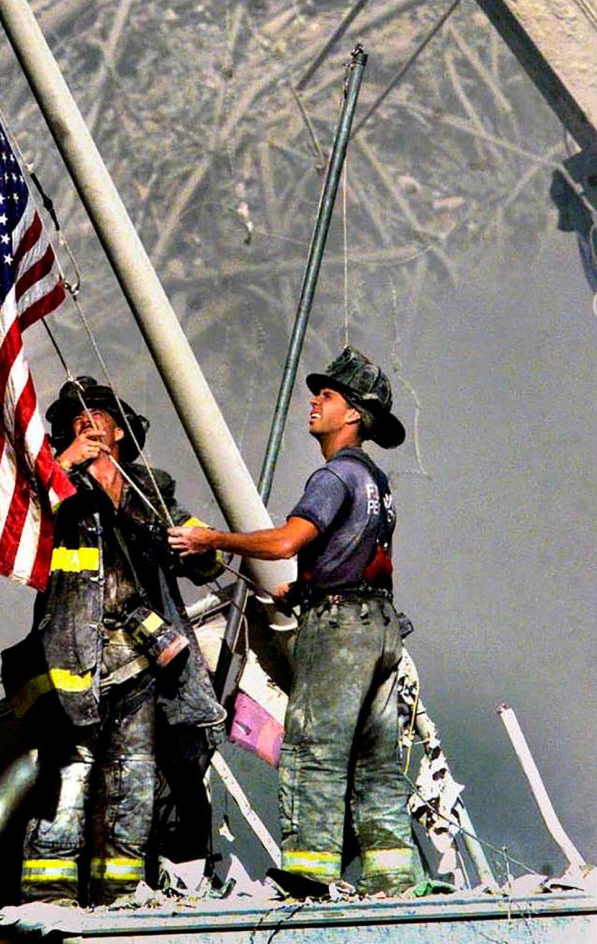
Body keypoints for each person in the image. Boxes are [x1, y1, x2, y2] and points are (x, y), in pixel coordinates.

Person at [168, 346, 419, 897]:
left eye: (326, 396)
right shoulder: (377, 481)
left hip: (339, 632)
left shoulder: (333, 477)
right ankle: (395, 878)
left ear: (352, 413)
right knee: (375, 759)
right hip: (380, 626)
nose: (314, 402)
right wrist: (305, 587)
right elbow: (361, 554)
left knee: (313, 750)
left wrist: (212, 539)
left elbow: (286, 541)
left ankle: (309, 874)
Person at [3, 376, 226, 906]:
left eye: (97, 412)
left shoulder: (153, 489)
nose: (86, 420)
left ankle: (118, 897)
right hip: (70, 656)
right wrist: (64, 466)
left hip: (141, 660)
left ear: (121, 431)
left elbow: (208, 561)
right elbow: (21, 527)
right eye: (75, 417)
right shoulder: (50, 486)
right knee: (70, 776)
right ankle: (48, 898)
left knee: (134, 781)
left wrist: (198, 548)